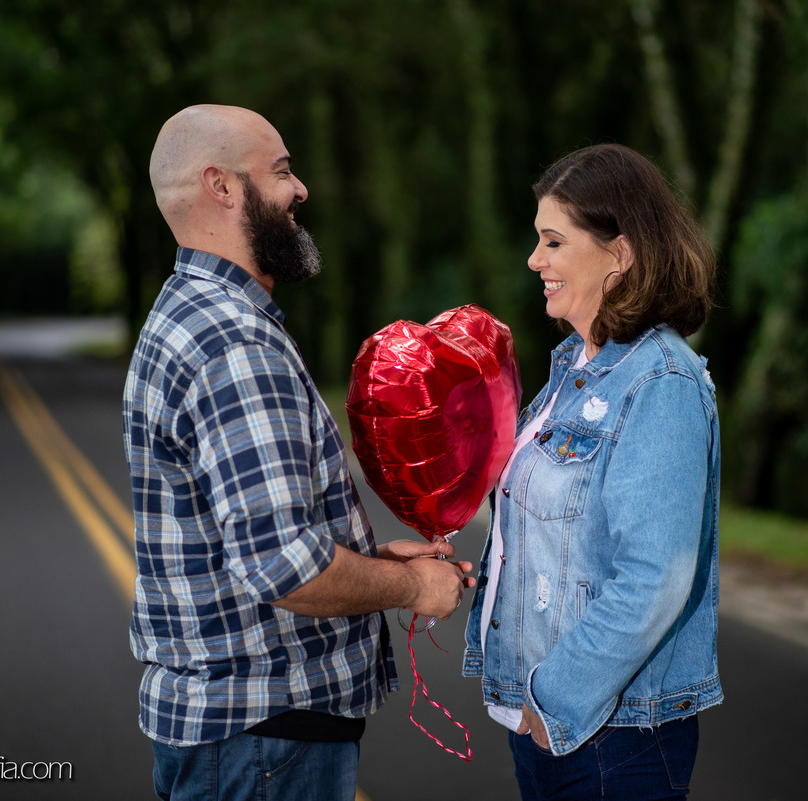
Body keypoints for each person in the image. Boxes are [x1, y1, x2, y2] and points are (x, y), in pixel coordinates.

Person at [123, 104, 474, 801]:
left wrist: (375, 561)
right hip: (263, 741)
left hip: (237, 735)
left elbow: (251, 540)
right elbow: (282, 566)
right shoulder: (236, 343)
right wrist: (413, 587)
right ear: (223, 187)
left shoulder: (186, 310)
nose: (301, 189)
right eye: (282, 171)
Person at [462, 143, 722, 800]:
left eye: (553, 241)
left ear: (620, 254)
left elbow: (656, 578)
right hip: (553, 726)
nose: (535, 259)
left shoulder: (659, 380)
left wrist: (553, 698)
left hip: (613, 736)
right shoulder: (571, 372)